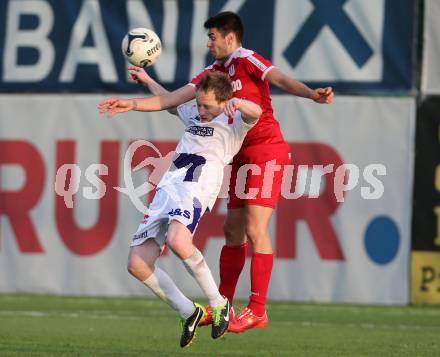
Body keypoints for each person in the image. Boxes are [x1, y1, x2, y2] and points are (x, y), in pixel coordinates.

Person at [99, 11, 333, 333]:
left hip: (264, 149)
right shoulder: (210, 76)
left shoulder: (247, 60)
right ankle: (221, 303)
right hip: (235, 155)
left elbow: (278, 81)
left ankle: (257, 309)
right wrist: (135, 100)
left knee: (253, 226)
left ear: (230, 37)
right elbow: (175, 101)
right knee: (232, 230)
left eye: (212, 37)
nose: (208, 43)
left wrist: (310, 94)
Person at [98, 71, 262, 345]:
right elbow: (170, 101)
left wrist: (240, 103)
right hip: (167, 189)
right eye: (198, 103)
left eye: (206, 106)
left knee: (178, 240)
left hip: (196, 188)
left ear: (224, 101)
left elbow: (255, 112)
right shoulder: (195, 115)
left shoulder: (233, 120)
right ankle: (189, 312)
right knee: (137, 264)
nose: (200, 110)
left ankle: (219, 303)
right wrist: (148, 80)